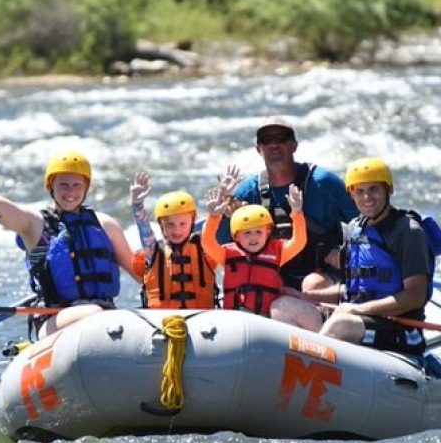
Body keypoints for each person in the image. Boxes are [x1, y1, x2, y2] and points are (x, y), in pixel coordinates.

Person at [0, 129, 139, 338]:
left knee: (101, 314)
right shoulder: (34, 224)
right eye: (63, 185)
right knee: (93, 313)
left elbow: (140, 274)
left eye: (76, 185)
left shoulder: (105, 224)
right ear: (51, 187)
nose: (70, 192)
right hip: (54, 319)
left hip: (106, 317)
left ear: (86, 188)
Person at [308, 157, 441, 354]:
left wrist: (358, 310)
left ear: (389, 190)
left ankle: (309, 369)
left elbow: (414, 297)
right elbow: (353, 287)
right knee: (293, 306)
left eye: (374, 189)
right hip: (358, 319)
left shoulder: (409, 232)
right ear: (351, 194)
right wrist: (305, 297)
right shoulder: (355, 228)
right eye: (360, 191)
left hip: (402, 330)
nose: (367, 197)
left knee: (341, 324)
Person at [215, 118, 359, 292]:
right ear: (259, 149)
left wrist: (345, 252)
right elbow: (222, 245)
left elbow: (363, 223)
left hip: (323, 275)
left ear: (294, 145)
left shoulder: (323, 182)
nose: (274, 144)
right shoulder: (247, 191)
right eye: (267, 140)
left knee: (311, 285)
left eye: (281, 138)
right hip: (273, 274)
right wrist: (224, 215)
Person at [202, 186, 324, 331]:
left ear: (267, 233)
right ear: (236, 236)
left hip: (267, 321)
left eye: (258, 232)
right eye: (247, 233)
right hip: (234, 319)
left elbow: (299, 242)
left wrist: (297, 213)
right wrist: (213, 217)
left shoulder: (278, 251)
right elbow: (207, 243)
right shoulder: (227, 253)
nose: (253, 237)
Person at [129, 171, 217, 308]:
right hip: (162, 319)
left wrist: (218, 208)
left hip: (202, 317)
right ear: (161, 226)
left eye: (183, 224)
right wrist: (137, 205)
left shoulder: (204, 246)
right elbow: (143, 228)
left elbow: (213, 227)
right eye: (170, 225)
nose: (177, 230)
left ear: (192, 222)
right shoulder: (152, 250)